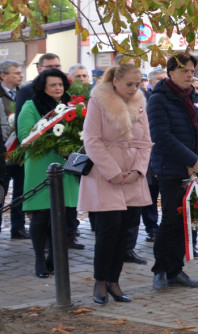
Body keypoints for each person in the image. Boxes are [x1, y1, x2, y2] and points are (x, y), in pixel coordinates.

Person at [78, 64, 153, 304]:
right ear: (115, 81)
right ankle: (101, 282)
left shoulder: (140, 103)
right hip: (106, 175)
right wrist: (113, 172)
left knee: (126, 232)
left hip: (133, 177)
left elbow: (146, 142)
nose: (134, 88)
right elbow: (91, 140)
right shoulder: (98, 102)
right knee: (108, 231)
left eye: (137, 83)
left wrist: (139, 170)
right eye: (129, 84)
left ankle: (114, 281)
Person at [148, 52, 198, 290]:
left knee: (186, 222)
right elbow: (162, 136)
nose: (189, 74)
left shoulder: (197, 98)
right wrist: (191, 160)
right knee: (171, 221)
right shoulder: (159, 99)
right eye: (184, 70)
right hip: (171, 169)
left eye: (192, 71)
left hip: (196, 169)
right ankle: (161, 269)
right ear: (171, 72)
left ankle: (176, 270)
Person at [17, 69, 80, 277]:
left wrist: (71, 144)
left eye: (61, 84)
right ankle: (39, 260)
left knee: (61, 217)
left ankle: (55, 258)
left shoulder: (71, 106)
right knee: (41, 216)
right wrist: (54, 140)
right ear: (43, 86)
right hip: (40, 166)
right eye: (53, 85)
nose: (58, 88)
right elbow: (25, 136)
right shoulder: (31, 105)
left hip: (65, 166)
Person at [138, 68, 167, 242]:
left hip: (166, 154)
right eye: (158, 79)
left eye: (165, 78)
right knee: (149, 194)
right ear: (150, 82)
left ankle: (165, 228)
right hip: (148, 154)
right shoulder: (143, 99)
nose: (162, 81)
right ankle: (152, 228)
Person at [1, 60, 27, 238]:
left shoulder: (24, 93)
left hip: (21, 150)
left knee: (21, 189)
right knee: (1, 190)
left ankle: (18, 228)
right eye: (16, 73)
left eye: (21, 72)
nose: (21, 75)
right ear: (3, 75)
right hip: (3, 151)